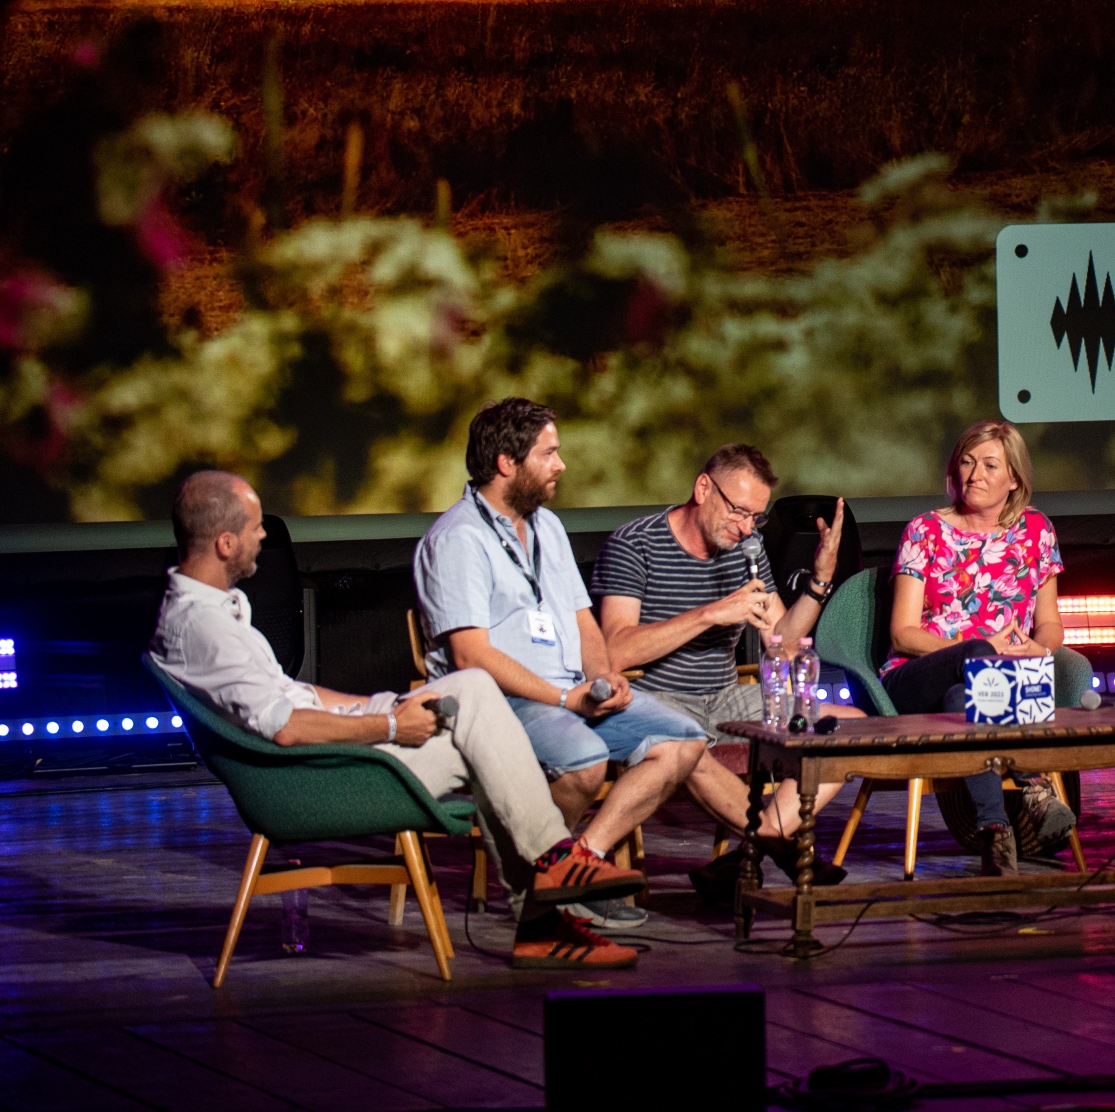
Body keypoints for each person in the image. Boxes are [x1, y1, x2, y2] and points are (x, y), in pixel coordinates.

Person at [150, 471, 647, 969]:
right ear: (225, 542)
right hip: (307, 780)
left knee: (478, 716)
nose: (264, 536)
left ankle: (547, 897)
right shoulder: (203, 626)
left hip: (321, 758)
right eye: (257, 527)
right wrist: (390, 728)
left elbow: (292, 694)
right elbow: (287, 726)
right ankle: (549, 887)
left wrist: (381, 707)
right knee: (479, 713)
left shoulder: (211, 608)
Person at [412, 398, 710, 928]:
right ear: (507, 462)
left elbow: (583, 621)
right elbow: (469, 654)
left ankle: (577, 867)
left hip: (573, 691)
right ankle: (548, 885)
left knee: (683, 739)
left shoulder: (547, 527)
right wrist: (564, 698)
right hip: (500, 703)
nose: (561, 464)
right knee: (584, 757)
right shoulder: (458, 538)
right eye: (549, 453)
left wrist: (604, 677)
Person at [592, 442, 862, 908]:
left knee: (850, 725)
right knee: (681, 740)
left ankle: (764, 841)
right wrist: (711, 613)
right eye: (738, 512)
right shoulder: (635, 543)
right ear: (703, 489)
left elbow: (783, 639)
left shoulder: (747, 549)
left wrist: (818, 584)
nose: (745, 528)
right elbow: (614, 650)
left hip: (725, 697)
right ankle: (779, 846)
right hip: (657, 698)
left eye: (755, 517)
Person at [884, 418, 1080, 875]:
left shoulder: (1037, 531)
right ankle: (1034, 788)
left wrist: (1039, 650)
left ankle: (995, 836)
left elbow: (1050, 624)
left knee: (968, 696)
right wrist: (974, 649)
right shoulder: (925, 530)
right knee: (974, 662)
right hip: (915, 675)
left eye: (990, 465)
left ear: (1014, 478)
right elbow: (902, 633)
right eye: (967, 463)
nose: (975, 475)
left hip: (993, 687)